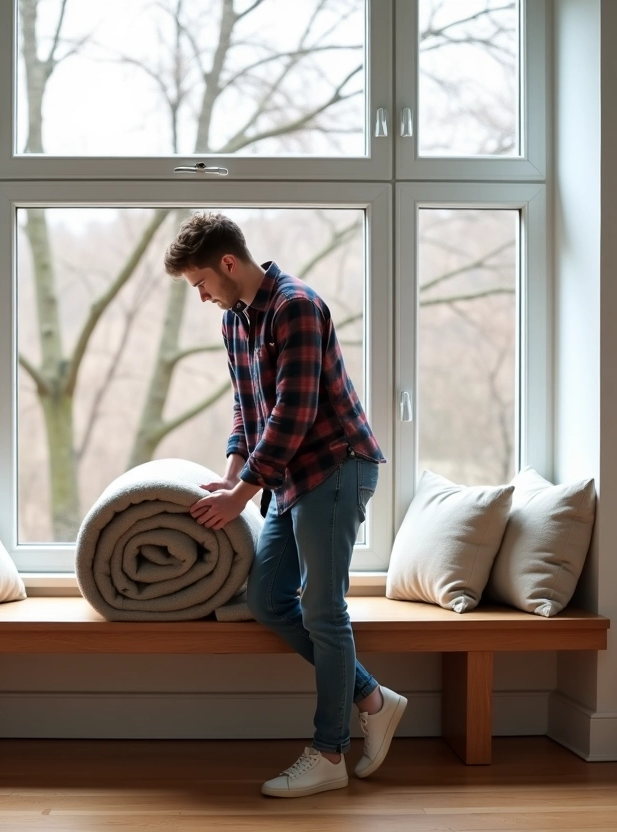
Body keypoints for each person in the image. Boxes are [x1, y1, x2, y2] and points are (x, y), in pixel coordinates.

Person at [164, 212, 407, 798]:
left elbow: (292, 413)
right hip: (291, 478)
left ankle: (329, 753)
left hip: (337, 466)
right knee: (270, 601)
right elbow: (248, 410)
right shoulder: (236, 322)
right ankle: (373, 697)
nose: (201, 297)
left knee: (324, 611)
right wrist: (230, 481)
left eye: (201, 284)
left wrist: (245, 492)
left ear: (227, 264)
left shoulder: (296, 306)